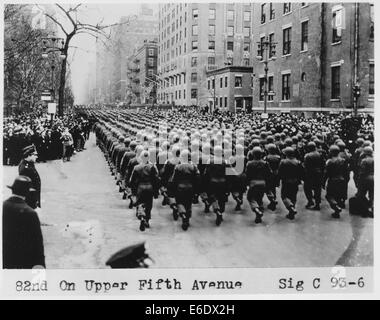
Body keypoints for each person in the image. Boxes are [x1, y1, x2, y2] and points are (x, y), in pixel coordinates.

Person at [3, 176, 45, 269]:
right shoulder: (30, 213)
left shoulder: (3, 206)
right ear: (27, 192)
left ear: (13, 190)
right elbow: (37, 245)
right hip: (23, 263)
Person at [129, 150, 160, 231]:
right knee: (149, 205)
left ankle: (142, 217)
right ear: (149, 157)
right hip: (150, 187)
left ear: (141, 158)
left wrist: (133, 190)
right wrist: (156, 191)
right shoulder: (152, 167)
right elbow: (156, 179)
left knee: (139, 203)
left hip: (140, 187)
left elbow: (132, 180)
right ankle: (147, 220)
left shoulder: (137, 167)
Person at [170, 150, 200, 230]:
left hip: (180, 187)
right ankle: (187, 218)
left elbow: (173, 179)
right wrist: (196, 190)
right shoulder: (194, 166)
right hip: (190, 187)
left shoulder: (178, 167)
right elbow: (197, 178)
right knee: (188, 203)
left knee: (179, 202)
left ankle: (183, 214)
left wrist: (172, 189)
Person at [323, 145, 349, 219]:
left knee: (329, 196)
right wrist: (346, 180)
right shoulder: (343, 160)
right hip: (342, 180)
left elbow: (326, 173)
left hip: (333, 180)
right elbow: (346, 172)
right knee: (337, 196)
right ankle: (336, 211)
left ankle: (336, 207)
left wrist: (323, 182)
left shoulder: (329, 162)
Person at [278, 147, 304, 220]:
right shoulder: (298, 162)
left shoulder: (283, 162)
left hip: (286, 181)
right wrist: (300, 180)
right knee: (293, 197)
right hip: (295, 182)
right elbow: (301, 173)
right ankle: (291, 211)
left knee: (284, 196)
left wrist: (278, 180)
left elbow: (280, 173)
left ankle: (290, 207)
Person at [18, 145, 41, 210]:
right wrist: (35, 203)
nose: (37, 157)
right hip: (31, 201)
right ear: (29, 155)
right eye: (35, 155)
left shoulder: (29, 163)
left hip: (34, 197)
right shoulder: (25, 168)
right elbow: (28, 189)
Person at [303, 142, 324, 210]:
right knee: (317, 189)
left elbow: (305, 166)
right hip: (318, 173)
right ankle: (317, 204)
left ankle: (310, 201)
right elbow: (323, 164)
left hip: (310, 173)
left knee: (307, 188)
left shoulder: (307, 156)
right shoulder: (320, 155)